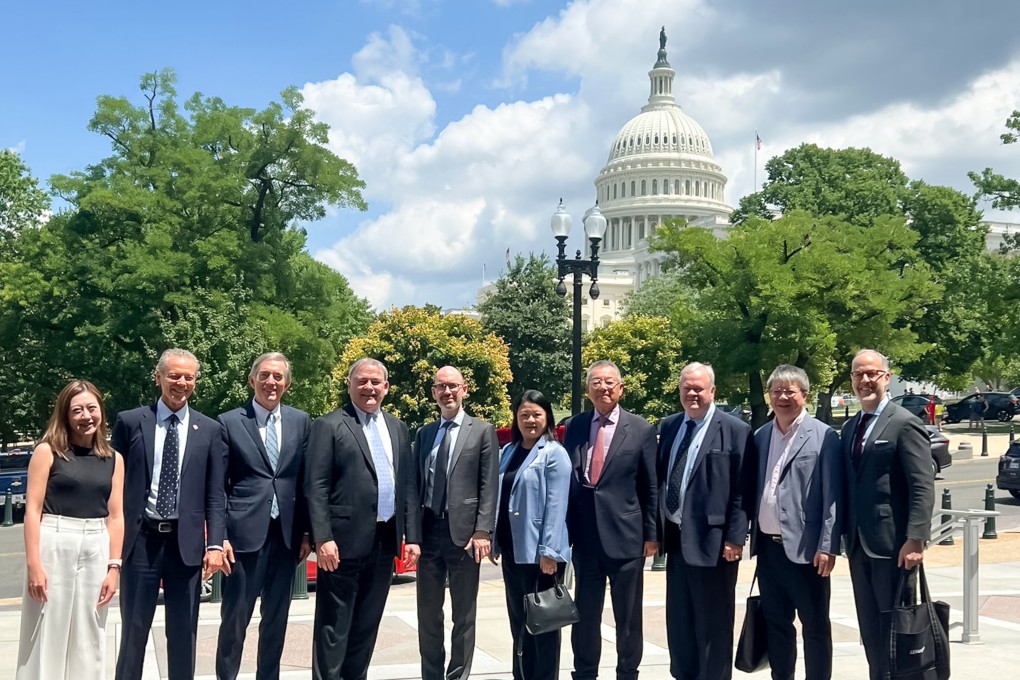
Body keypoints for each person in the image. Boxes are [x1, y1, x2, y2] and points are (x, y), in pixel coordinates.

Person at [114, 348, 228, 680]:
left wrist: (216, 544)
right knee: (133, 631)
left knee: (183, 633)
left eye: (188, 377)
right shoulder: (131, 422)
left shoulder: (209, 429)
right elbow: (115, 485)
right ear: (159, 377)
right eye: (174, 375)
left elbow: (215, 494)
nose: (181, 383)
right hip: (140, 543)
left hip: (186, 546)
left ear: (195, 381)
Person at [305, 358, 422, 680]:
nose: (369, 388)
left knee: (367, 625)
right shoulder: (328, 425)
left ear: (386, 387)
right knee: (334, 626)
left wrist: (411, 536)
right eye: (362, 381)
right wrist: (322, 537)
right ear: (349, 384)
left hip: (384, 543)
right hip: (340, 545)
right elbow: (315, 486)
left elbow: (407, 486)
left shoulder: (398, 427)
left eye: (375, 382)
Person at [17, 380, 125, 680]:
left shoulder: (114, 459)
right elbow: (32, 511)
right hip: (55, 540)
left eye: (92, 408)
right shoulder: (47, 452)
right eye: (77, 410)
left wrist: (114, 567)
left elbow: (116, 516)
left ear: (101, 411)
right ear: (65, 415)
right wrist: (34, 565)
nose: (86, 416)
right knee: (45, 629)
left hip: (96, 544)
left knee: (89, 631)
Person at [215, 353, 312, 680]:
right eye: (265, 375)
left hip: (286, 539)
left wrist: (307, 533)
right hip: (243, 541)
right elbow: (219, 487)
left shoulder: (301, 421)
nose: (272, 382)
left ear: (287, 383)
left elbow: (306, 482)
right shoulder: (228, 421)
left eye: (278, 377)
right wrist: (220, 537)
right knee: (234, 621)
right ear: (251, 380)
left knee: (276, 621)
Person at [842, 349, 934, 680]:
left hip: (894, 548)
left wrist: (915, 539)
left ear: (887, 377)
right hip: (857, 546)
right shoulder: (851, 427)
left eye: (872, 373)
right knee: (871, 631)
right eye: (858, 375)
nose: (865, 380)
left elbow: (922, 486)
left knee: (900, 632)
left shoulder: (905, 423)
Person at [657, 362, 752, 680]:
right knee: (680, 624)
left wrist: (735, 538)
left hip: (715, 546)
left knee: (713, 626)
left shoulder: (734, 429)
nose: (692, 393)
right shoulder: (670, 426)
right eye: (686, 388)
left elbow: (742, 488)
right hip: (676, 542)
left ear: (713, 391)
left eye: (698, 388)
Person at [564, 360, 658, 680]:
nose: (602, 387)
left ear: (620, 388)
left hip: (627, 537)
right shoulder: (575, 426)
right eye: (595, 382)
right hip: (586, 537)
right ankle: (585, 671)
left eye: (609, 382)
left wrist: (651, 534)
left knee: (628, 617)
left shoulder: (641, 428)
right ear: (588, 389)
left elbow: (651, 486)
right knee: (585, 615)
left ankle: (627, 672)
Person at [749, 365, 842, 680]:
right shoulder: (761, 436)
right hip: (769, 549)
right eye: (776, 391)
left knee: (815, 626)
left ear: (805, 395)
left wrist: (827, 545)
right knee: (776, 624)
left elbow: (833, 496)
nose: (782, 397)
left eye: (790, 391)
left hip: (808, 551)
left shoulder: (824, 436)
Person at [413, 366, 499, 680]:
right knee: (428, 613)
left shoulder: (481, 430)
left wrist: (482, 529)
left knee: (463, 614)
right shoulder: (424, 434)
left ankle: (458, 675)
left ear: (464, 389)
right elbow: (415, 485)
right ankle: (432, 675)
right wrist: (412, 533)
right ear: (434, 392)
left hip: (465, 536)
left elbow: (489, 485)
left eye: (453, 386)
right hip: (429, 532)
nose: (447, 392)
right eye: (440, 387)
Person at [491, 389, 572, 680]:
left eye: (536, 414)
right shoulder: (509, 451)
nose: (530, 420)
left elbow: (557, 504)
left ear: (547, 417)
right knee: (520, 623)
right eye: (524, 414)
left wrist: (549, 552)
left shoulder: (555, 453)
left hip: (541, 556)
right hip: (513, 551)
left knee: (544, 624)